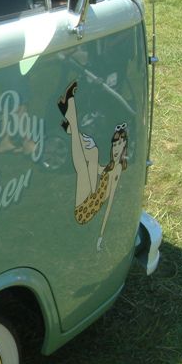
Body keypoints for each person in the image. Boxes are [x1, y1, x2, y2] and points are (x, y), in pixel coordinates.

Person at [58, 81, 128, 251]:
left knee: (82, 169)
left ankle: (70, 117)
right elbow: (97, 169)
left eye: (119, 144)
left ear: (124, 146)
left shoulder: (118, 169)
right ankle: (71, 125)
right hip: (92, 195)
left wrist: (101, 235)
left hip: (87, 209)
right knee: (93, 151)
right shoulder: (111, 166)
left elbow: (110, 201)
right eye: (114, 144)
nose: (116, 148)